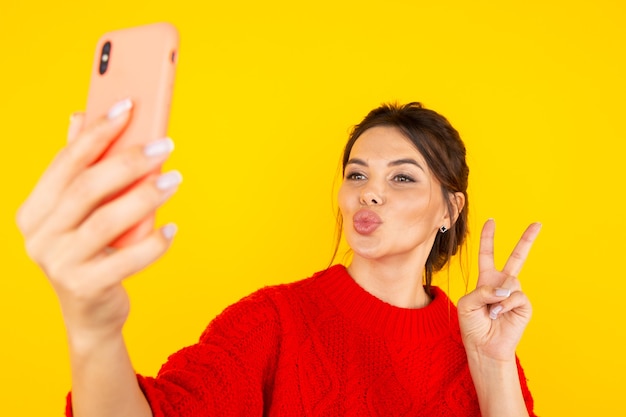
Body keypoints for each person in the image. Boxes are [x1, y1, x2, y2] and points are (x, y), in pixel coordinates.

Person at [17, 100, 541, 417]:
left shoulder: (484, 347)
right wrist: (92, 329)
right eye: (357, 174)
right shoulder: (272, 321)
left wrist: (492, 366)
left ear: (450, 208)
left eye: (401, 177)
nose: (369, 193)